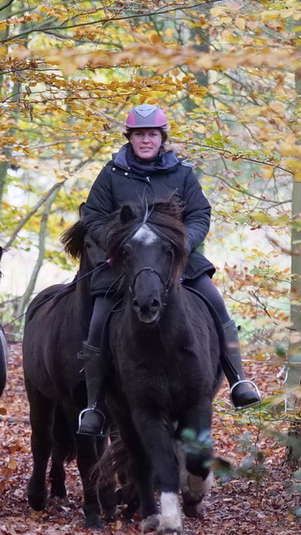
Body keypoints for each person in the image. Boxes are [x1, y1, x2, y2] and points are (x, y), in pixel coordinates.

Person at [76, 103, 262, 437]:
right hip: (125, 264)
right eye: (138, 135)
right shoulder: (111, 175)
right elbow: (92, 216)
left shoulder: (182, 174)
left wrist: (183, 243)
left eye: (151, 134)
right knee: (98, 322)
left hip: (176, 261)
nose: (145, 141)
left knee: (216, 305)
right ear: (129, 138)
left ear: (162, 138)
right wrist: (119, 244)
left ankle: (239, 380)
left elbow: (200, 214)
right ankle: (95, 406)